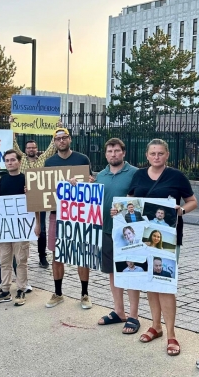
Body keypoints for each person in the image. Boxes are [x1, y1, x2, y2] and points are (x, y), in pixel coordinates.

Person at [128, 138, 197, 356]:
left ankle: (171, 334)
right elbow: (130, 201)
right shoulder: (138, 175)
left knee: (164, 284)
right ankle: (155, 326)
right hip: (142, 238)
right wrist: (119, 211)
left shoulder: (177, 176)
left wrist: (181, 211)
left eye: (160, 153)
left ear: (167, 155)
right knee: (150, 282)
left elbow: (192, 201)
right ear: (146, 156)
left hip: (167, 239)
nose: (156, 157)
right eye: (152, 154)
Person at [44, 127, 93, 310]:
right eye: (58, 139)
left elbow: (90, 181)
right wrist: (32, 192)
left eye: (64, 138)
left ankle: (84, 294)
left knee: (81, 254)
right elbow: (44, 189)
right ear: (54, 142)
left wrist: (85, 182)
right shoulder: (49, 162)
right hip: (57, 214)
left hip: (79, 215)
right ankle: (58, 293)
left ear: (70, 139)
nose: (61, 141)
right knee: (57, 255)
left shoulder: (82, 159)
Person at [96, 138, 140, 334]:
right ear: (105, 154)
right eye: (110, 151)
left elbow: (140, 201)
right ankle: (119, 311)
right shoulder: (100, 175)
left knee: (130, 272)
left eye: (116, 150)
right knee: (112, 272)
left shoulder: (135, 173)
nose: (113, 154)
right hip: (106, 231)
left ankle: (134, 316)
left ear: (123, 152)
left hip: (127, 233)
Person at [0, 149, 40, 307]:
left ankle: (21, 289)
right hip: (5, 228)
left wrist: (38, 224)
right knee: (4, 260)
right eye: (7, 160)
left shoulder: (27, 180)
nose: (10, 163)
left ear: (19, 161)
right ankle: (4, 290)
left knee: (21, 260)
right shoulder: (3, 180)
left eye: (13, 160)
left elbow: (35, 202)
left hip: (22, 227)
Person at [12, 133, 56, 269]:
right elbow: (13, 144)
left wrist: (58, 128)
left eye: (33, 148)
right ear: (25, 150)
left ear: (37, 149)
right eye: (29, 148)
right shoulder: (21, 159)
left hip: (39, 199)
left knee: (41, 228)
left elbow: (52, 148)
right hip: (22, 198)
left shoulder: (42, 159)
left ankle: (42, 256)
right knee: (19, 228)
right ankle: (17, 257)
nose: (31, 150)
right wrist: (12, 128)